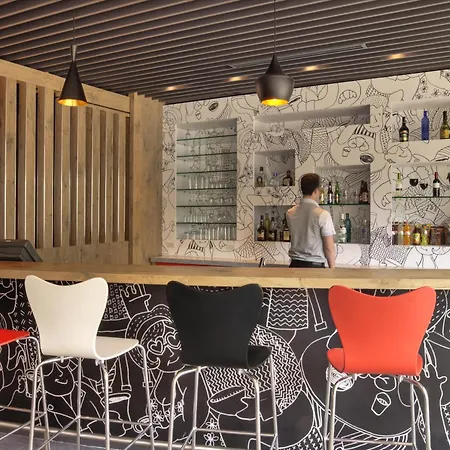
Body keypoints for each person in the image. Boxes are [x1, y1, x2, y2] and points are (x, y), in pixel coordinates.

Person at [286, 173, 336, 268]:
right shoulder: (323, 214)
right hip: (315, 267)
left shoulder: (290, 213)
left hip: (294, 266)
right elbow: (329, 248)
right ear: (316, 191)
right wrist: (332, 270)